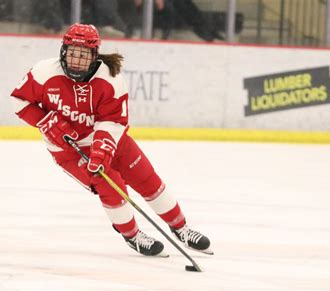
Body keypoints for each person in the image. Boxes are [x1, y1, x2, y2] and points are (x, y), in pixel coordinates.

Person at [11, 23, 213, 257]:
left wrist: (102, 152)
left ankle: (181, 228)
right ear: (63, 51)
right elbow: (19, 100)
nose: (76, 60)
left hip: (112, 142)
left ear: (94, 56)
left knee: (147, 180)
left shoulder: (110, 78)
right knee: (111, 187)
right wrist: (47, 122)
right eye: (72, 53)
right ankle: (132, 235)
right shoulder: (44, 72)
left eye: (83, 55)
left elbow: (113, 121)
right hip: (69, 150)